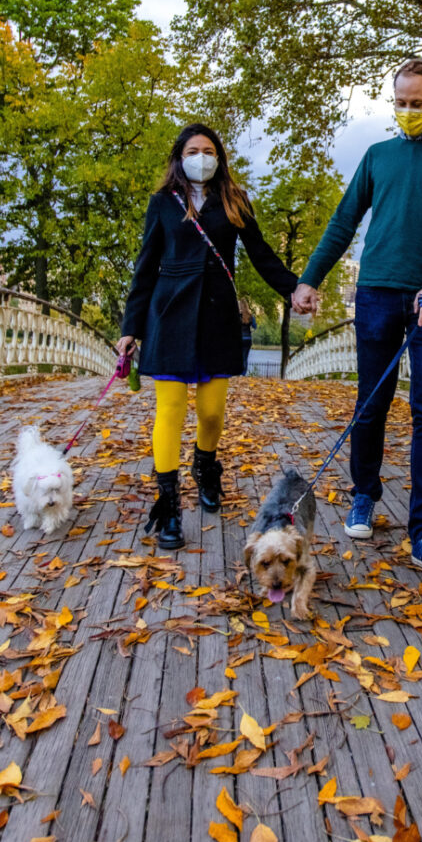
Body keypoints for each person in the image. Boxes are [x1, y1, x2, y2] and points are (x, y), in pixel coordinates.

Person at [291, 58, 422, 579]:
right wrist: (310, 278)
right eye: (400, 103)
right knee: (370, 405)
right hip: (374, 294)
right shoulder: (377, 157)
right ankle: (364, 496)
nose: (408, 112)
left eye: (417, 103)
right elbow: (344, 219)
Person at [118, 124, 298, 550]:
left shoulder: (234, 201)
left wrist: (293, 288)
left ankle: (206, 467)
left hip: (218, 318)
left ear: (219, 157)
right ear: (179, 157)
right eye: (193, 150)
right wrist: (131, 328)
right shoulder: (162, 204)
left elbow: (261, 255)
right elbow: (145, 267)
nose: (202, 156)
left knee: (212, 414)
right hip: (170, 317)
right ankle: (168, 507)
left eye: (209, 150)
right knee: (171, 412)